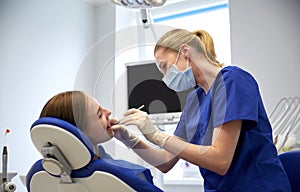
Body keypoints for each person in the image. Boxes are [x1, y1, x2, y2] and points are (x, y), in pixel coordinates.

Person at [112, 29, 292, 191]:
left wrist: (157, 136)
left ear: (185, 52)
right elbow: (166, 161)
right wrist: (130, 139)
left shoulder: (233, 81)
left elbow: (220, 161)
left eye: (164, 66)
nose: (164, 76)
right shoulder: (194, 100)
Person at [34, 90, 163, 192]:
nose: (109, 112)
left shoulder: (38, 175)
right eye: (99, 114)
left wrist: (130, 140)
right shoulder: (116, 175)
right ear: (80, 133)